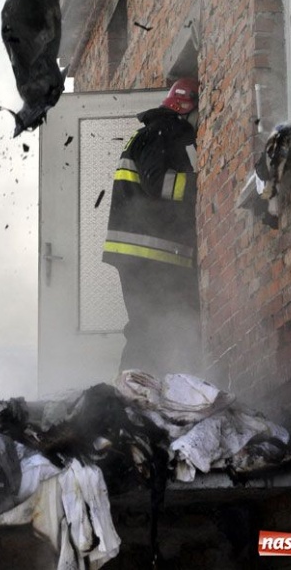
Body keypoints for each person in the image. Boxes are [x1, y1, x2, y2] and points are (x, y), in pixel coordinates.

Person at [103, 78, 200, 375]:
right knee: (148, 328)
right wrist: (203, 183)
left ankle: (144, 392)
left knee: (157, 327)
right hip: (150, 253)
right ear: (185, 110)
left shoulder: (150, 133)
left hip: (145, 254)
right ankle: (129, 395)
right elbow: (158, 183)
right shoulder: (162, 132)